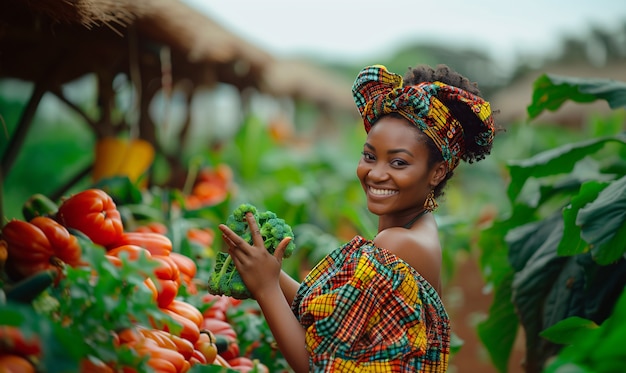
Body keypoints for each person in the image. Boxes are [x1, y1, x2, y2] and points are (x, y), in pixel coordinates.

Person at [218, 63, 496, 372]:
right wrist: (270, 271)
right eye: (369, 156)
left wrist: (266, 288)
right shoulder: (417, 228)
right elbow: (338, 318)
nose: (376, 173)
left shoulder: (398, 242)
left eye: (399, 162)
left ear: (437, 172)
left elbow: (317, 365)